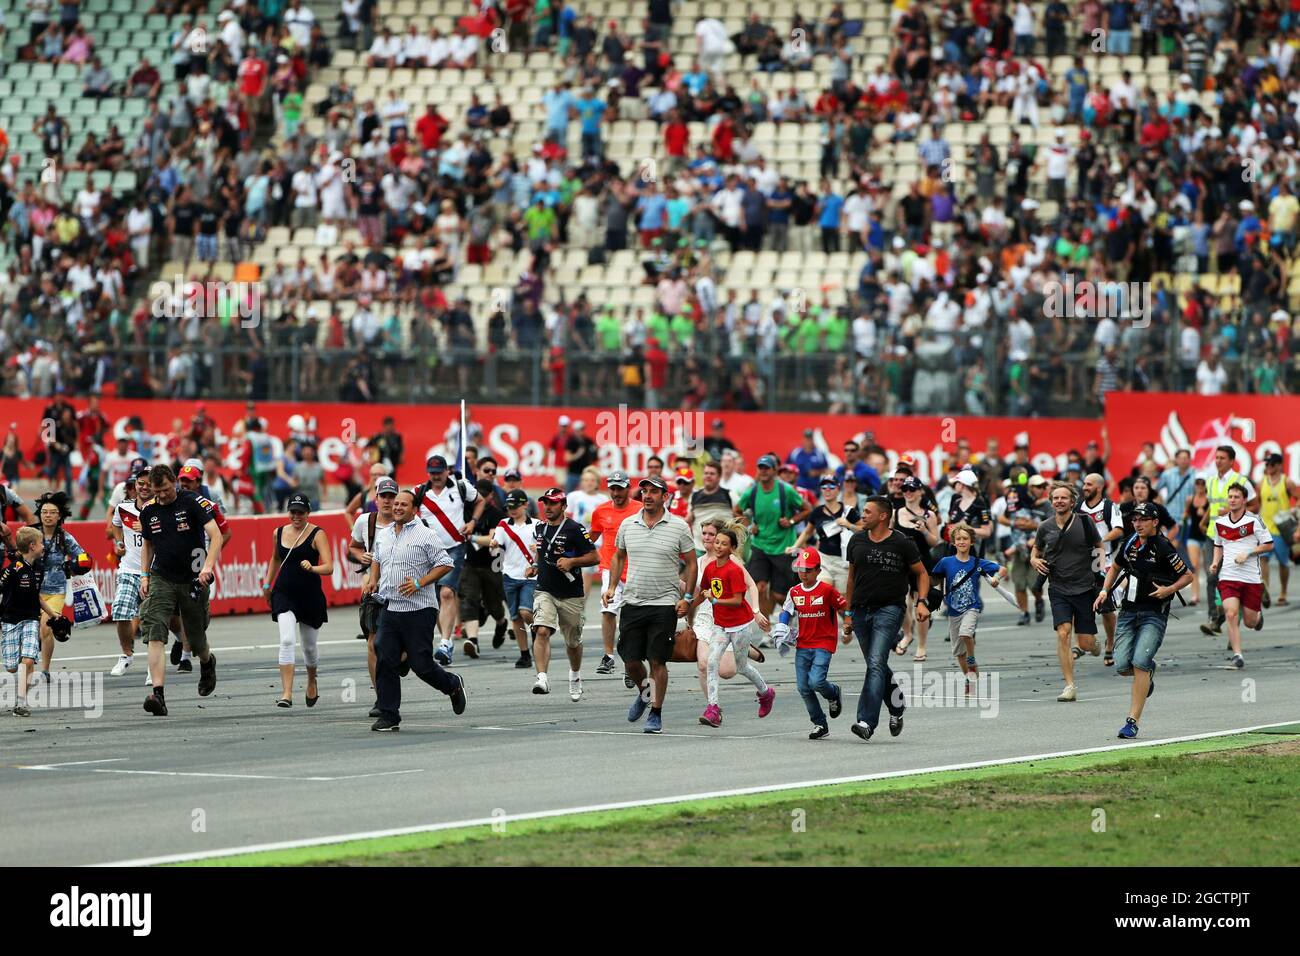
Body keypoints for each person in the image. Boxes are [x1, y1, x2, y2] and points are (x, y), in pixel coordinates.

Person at [362, 489, 467, 731]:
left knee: (421, 665)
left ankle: (451, 684)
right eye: (395, 503)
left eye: (403, 504)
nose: (397, 507)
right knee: (384, 656)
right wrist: (373, 579)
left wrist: (420, 582)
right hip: (391, 606)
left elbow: (446, 563)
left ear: (414, 509)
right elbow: (377, 557)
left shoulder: (425, 534)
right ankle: (389, 714)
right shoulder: (385, 534)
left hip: (419, 610)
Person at [605, 475, 697, 734]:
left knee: (657, 660)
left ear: (664, 496)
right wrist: (612, 586)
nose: (647, 495)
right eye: (644, 491)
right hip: (633, 600)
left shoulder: (678, 527)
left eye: (653, 492)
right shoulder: (628, 524)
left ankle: (656, 712)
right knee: (631, 660)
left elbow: (691, 563)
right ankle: (645, 693)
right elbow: (618, 557)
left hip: (665, 603)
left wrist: (687, 598)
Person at [1095, 502, 1194, 739]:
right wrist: (1104, 591)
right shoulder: (1130, 541)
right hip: (1128, 611)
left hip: (1154, 614)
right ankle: (1148, 671)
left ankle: (1131, 722)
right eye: (1135, 520)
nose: (1137, 524)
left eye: (1143, 520)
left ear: (1154, 522)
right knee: (1121, 666)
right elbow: (1115, 566)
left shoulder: (1163, 547)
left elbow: (1188, 575)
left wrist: (1169, 590)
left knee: (1140, 661)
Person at [138, 465, 223, 716]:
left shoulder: (192, 501)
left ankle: (207, 663)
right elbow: (147, 545)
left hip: (194, 578)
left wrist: (207, 568)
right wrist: (144, 576)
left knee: (195, 638)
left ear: (174, 482)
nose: (162, 495)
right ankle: (158, 695)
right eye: (157, 491)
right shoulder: (149, 511)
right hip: (162, 577)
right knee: (154, 631)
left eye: (165, 489)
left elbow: (216, 535)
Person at [843, 495, 925, 741]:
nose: (863, 515)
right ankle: (897, 705)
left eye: (867, 512)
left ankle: (866, 721)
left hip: (890, 610)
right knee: (875, 664)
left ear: (883, 516)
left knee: (876, 662)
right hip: (860, 611)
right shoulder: (856, 541)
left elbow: (922, 574)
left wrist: (921, 602)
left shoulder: (902, 542)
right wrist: (847, 615)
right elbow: (851, 579)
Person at [689, 525, 774, 727]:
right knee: (711, 662)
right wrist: (688, 605)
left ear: (732, 548)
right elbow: (704, 593)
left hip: (740, 625)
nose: (718, 546)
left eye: (723, 544)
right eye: (717, 542)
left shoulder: (733, 570)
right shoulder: (709, 568)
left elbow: (736, 600)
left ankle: (766, 692)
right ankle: (713, 709)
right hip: (720, 625)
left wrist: (716, 601)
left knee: (741, 666)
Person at [1031, 481, 1104, 702]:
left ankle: (1093, 645)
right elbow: (1036, 549)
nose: (1059, 501)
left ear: (1073, 502)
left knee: (1084, 643)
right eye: (1055, 498)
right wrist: (1034, 559)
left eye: (1063, 498)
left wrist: (1097, 572)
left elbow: (1099, 545)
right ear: (1051, 501)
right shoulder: (1045, 527)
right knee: (1063, 634)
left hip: (1084, 587)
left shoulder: (1085, 522)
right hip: (1058, 588)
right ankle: (1069, 685)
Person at [526, 487, 599, 699]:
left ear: (563, 506)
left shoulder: (575, 529)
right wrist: (535, 566)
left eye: (553, 503)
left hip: (571, 593)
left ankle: (575, 675)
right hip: (545, 590)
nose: (548, 507)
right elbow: (542, 555)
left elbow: (595, 557)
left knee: (573, 642)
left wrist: (572, 561)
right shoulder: (540, 528)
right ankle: (541, 678)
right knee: (541, 630)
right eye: (545, 503)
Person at [263, 494, 332, 707]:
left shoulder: (317, 534)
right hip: (284, 593)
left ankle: (312, 680)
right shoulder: (279, 532)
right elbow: (276, 558)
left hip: (309, 596)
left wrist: (313, 568)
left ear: (307, 513)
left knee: (309, 647)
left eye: (300, 512)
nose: (296, 516)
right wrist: (267, 584)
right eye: (292, 511)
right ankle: (286, 693)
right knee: (286, 640)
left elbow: (329, 567)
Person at [414, 454, 485, 665]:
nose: (436, 476)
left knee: (447, 592)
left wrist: (472, 522)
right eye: (432, 473)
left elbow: (480, 501)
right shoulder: (420, 491)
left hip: (455, 547)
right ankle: (447, 641)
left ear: (447, 471)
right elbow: (405, 506)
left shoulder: (461, 486)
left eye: (439, 472)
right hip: (429, 550)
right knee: (434, 599)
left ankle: (444, 641)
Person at [772, 547, 847, 739]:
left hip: (824, 642)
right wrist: (782, 626)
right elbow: (787, 611)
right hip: (803, 644)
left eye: (808, 569)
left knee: (816, 681)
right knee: (804, 687)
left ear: (818, 571)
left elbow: (843, 607)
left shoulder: (827, 590)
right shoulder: (794, 591)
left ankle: (832, 693)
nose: (803, 573)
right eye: (801, 569)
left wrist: (848, 624)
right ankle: (820, 724)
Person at [931, 524, 1007, 695]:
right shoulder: (946, 562)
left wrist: (996, 578)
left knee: (966, 634)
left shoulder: (978, 563)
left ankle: (971, 656)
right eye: (958, 539)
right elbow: (933, 580)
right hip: (953, 610)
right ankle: (970, 678)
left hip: (972, 607)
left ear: (972, 542)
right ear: (953, 542)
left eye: (965, 539)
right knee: (958, 653)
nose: (962, 542)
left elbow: (1002, 568)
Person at [734, 453, 810, 621]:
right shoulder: (753, 491)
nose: (764, 471)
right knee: (759, 587)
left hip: (783, 546)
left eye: (767, 468)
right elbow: (737, 509)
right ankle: (766, 629)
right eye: (761, 467)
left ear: (774, 470)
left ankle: (788, 621)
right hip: (760, 545)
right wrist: (749, 525)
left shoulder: (785, 490)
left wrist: (791, 520)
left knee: (779, 595)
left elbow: (807, 509)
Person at [1, 528, 66, 717]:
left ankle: (20, 703)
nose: (43, 546)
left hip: (31, 619)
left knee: (28, 659)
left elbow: (36, 596)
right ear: (31, 546)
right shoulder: (12, 570)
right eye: (40, 543)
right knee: (12, 666)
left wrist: (53, 614)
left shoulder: (39, 568)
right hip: (10, 621)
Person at [348, 475, 398, 714]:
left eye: (392, 496)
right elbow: (352, 547)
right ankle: (381, 697)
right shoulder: (365, 522)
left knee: (404, 646)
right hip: (374, 588)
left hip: (403, 588)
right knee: (373, 643)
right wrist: (361, 557)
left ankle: (402, 659)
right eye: (383, 496)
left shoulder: (409, 522)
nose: (387, 501)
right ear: (375, 498)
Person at [1209, 484, 1273, 669]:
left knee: (1250, 622)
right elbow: (1218, 545)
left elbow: (1268, 545)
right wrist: (1215, 562)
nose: (1232, 500)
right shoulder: (1220, 522)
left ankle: (1257, 618)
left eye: (1236, 496)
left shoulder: (1254, 521)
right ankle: (1237, 655)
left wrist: (1249, 553)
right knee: (1230, 613)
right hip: (1228, 576)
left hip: (1251, 578)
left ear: (1244, 500)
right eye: (1230, 496)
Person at [29, 491, 87, 682]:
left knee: (46, 627)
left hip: (56, 591)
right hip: (30, 588)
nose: (47, 515)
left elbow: (83, 557)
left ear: (59, 515)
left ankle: (44, 670)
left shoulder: (65, 538)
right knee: (31, 629)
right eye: (44, 512)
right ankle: (28, 663)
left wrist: (75, 565)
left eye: (52, 512)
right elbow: (19, 554)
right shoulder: (31, 533)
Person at [1200, 445, 1257, 635]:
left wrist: (1235, 512)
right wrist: (1204, 520)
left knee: (1233, 580)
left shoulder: (1241, 481)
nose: (1218, 461)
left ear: (1232, 461)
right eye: (1216, 457)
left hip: (1234, 538)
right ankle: (1214, 619)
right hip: (1212, 535)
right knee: (1211, 576)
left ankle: (1236, 620)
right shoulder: (1210, 481)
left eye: (1222, 458)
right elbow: (1212, 504)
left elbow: (1256, 505)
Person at [482, 489, 540, 669]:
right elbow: (495, 547)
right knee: (515, 617)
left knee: (525, 612)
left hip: (530, 575)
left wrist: (538, 548)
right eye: (509, 507)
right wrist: (493, 545)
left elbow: (545, 547)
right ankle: (525, 654)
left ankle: (538, 631)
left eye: (516, 506)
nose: (512, 510)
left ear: (525, 505)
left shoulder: (537, 525)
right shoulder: (503, 524)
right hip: (509, 575)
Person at [587, 470, 638, 677]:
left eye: (620, 488)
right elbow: (591, 536)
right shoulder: (601, 511)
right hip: (610, 567)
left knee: (633, 615)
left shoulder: (639, 509)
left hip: (635, 568)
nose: (616, 493)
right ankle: (608, 655)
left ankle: (631, 661)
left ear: (628, 488)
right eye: (613, 488)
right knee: (608, 610)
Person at [458, 477, 509, 659]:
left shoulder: (497, 515)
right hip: (470, 564)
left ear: (491, 496)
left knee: (493, 604)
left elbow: (492, 541)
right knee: (469, 599)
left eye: (484, 495)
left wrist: (470, 537)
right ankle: (473, 641)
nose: (481, 497)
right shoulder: (467, 511)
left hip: (491, 565)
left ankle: (501, 623)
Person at [1077, 472, 1124, 665]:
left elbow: (1119, 530)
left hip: (1104, 562)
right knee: (1078, 603)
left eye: (1089, 484)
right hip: (1082, 563)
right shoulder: (1078, 507)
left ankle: (1111, 643)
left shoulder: (1109, 507)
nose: (1085, 487)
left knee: (1106, 609)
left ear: (1099, 487)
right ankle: (1083, 643)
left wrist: (1099, 541)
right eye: (1084, 484)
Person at [892, 475, 940, 658]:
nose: (908, 493)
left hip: (921, 562)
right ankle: (908, 634)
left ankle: (922, 645)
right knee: (902, 602)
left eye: (912, 489)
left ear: (920, 491)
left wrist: (925, 530)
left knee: (921, 603)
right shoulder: (896, 513)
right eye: (905, 489)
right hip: (900, 564)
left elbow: (935, 542)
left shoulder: (930, 515)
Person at [107, 470, 148, 677]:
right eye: (140, 483)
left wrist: (148, 527)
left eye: (149, 483)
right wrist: (119, 542)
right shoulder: (123, 508)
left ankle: (173, 650)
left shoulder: (162, 509)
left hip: (156, 572)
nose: (144, 486)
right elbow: (115, 526)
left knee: (161, 619)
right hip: (129, 568)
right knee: (120, 611)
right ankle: (126, 655)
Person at [791, 476, 859, 595]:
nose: (827, 489)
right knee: (823, 591)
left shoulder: (848, 511)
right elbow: (807, 532)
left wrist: (849, 524)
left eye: (831, 486)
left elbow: (864, 529)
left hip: (843, 561)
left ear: (838, 489)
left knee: (841, 601)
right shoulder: (817, 512)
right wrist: (794, 546)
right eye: (824, 487)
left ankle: (838, 614)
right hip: (823, 560)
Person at [1004, 474, 1051, 626]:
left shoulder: (1047, 505)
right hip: (1018, 548)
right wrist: (1015, 523)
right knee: (1018, 583)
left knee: (1034, 584)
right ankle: (1023, 612)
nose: (1041, 490)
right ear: (1030, 487)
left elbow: (1053, 525)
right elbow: (1001, 518)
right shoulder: (1018, 502)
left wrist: (1032, 526)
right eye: (1038, 487)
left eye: (1043, 487)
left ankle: (1038, 601)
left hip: (1037, 550)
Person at [1256, 453, 1297, 606]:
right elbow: (1256, 504)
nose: (1268, 467)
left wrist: (1295, 509)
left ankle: (1283, 592)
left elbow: (1298, 498)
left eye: (1272, 464)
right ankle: (1264, 590)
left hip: (1282, 528)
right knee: (1263, 559)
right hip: (1265, 528)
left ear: (1279, 465)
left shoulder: (1287, 482)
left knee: (1283, 562)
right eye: (1266, 465)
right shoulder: (1261, 484)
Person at [1182, 478, 1210, 606]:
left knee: (1208, 566)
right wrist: (1185, 515)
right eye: (1197, 483)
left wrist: (1204, 513)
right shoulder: (1190, 499)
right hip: (1193, 536)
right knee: (1194, 566)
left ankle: (1212, 592)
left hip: (1207, 536)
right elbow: (1186, 513)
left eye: (1202, 483)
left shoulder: (1209, 500)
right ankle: (1195, 595)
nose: (1199, 486)